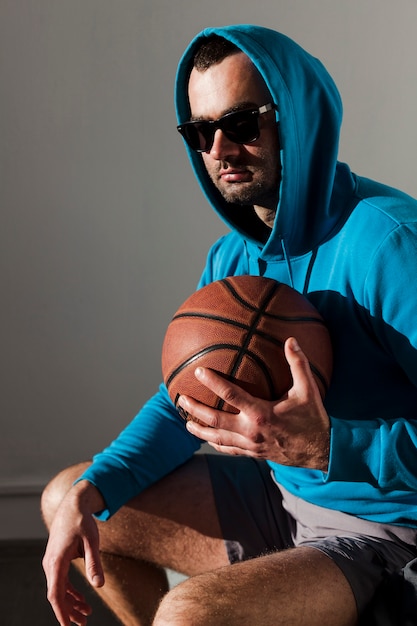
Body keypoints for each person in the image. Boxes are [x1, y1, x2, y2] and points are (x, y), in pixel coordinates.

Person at [41, 24, 417, 626]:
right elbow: (185, 402)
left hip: (389, 528)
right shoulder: (233, 257)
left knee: (190, 615)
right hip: (284, 497)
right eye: (201, 131)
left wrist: (330, 446)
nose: (219, 149)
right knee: (71, 496)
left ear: (295, 117)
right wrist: (97, 486)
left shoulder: (391, 245)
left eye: (242, 123)